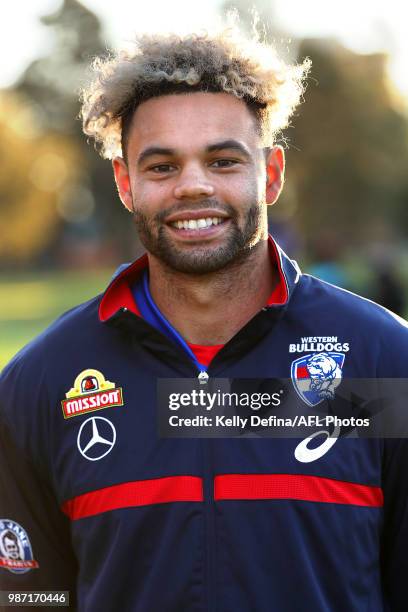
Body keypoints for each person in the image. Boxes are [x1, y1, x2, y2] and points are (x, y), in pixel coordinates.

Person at [1, 25, 408, 612]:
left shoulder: (385, 362)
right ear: (124, 183)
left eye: (222, 160)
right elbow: (27, 598)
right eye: (162, 167)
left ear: (270, 174)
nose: (193, 186)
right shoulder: (40, 383)